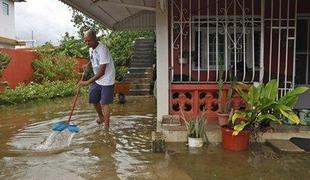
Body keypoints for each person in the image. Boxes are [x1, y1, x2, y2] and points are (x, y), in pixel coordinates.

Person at [79, 30, 115, 128]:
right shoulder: (91, 49)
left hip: (107, 79)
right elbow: (93, 60)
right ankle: (101, 117)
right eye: (85, 41)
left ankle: (106, 128)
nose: (87, 43)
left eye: (89, 41)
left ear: (95, 39)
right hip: (98, 79)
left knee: (104, 103)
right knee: (93, 97)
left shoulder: (103, 49)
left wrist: (87, 82)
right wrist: (88, 65)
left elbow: (102, 71)